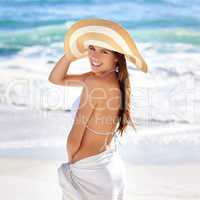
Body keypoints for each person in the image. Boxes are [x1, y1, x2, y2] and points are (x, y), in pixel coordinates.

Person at [48, 18, 148, 200]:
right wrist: (71, 55)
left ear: (117, 56)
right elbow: (57, 79)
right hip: (110, 166)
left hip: (90, 172)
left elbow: (76, 134)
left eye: (104, 52)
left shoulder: (95, 83)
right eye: (92, 48)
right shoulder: (113, 79)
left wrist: (73, 166)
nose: (95, 56)